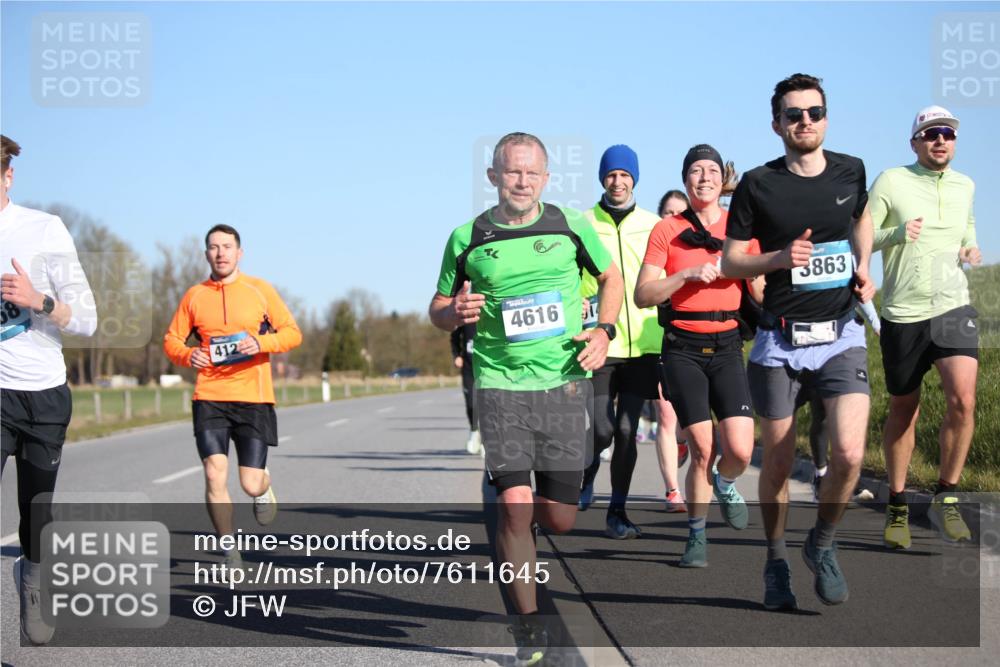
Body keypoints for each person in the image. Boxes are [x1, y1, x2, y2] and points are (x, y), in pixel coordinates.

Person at [429, 132, 623, 666]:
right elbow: (439, 304)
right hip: (499, 386)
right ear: (493, 176)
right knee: (517, 509)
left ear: (546, 177)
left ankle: (520, 515)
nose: (522, 181)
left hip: (562, 383)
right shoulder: (467, 237)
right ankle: (528, 631)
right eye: (512, 172)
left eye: (532, 173)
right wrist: (453, 313)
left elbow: (611, 277)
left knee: (557, 519)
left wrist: (604, 331)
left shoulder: (571, 226)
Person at [722, 73, 876, 609]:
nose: (804, 121)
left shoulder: (851, 169)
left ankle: (823, 543)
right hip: (779, 342)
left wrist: (862, 266)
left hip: (840, 334)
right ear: (777, 125)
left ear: (826, 118)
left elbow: (861, 220)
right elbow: (730, 260)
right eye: (793, 115)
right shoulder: (757, 185)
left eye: (813, 112)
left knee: (851, 453)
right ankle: (776, 561)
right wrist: (778, 259)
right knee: (781, 463)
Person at [636, 144, 760, 567]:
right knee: (703, 448)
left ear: (722, 179)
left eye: (711, 170)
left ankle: (727, 483)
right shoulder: (666, 230)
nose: (703, 177)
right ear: (685, 179)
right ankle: (696, 536)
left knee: (740, 450)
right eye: (695, 171)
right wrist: (684, 274)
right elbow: (642, 294)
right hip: (683, 348)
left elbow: (760, 291)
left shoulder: (742, 227)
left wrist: (751, 273)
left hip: (728, 346)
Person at [1, 134, 98, 644]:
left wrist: (38, 300)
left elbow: (86, 319)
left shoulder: (43, 230)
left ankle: (34, 577)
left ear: (7, 176)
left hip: (41, 394)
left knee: (36, 512)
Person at [164, 224, 302, 573]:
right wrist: (187, 355)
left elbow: (292, 333)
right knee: (214, 473)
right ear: (206, 253)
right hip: (209, 396)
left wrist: (262, 343)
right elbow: (171, 341)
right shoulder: (194, 295)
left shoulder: (259, 290)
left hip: (253, 397)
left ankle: (263, 488)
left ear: (240, 253)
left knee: (249, 481)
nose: (221, 252)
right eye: (213, 247)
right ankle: (229, 550)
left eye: (227, 246)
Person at [872, 106, 980, 549]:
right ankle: (897, 503)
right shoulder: (891, 180)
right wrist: (897, 233)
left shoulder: (965, 185)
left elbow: (966, 228)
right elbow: (862, 233)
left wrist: (971, 247)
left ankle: (946, 496)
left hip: (953, 304)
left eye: (948, 134)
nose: (941, 141)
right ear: (915, 141)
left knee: (963, 399)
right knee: (904, 408)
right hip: (903, 312)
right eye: (931, 134)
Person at [577, 144, 673, 537]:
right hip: (600, 342)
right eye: (611, 175)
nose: (618, 182)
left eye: (625, 175)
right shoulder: (582, 223)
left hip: (645, 344)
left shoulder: (654, 225)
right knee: (601, 428)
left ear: (634, 179)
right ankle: (587, 473)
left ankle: (617, 510)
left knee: (626, 428)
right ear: (602, 179)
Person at [655, 190, 692, 512]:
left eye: (679, 212)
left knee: (690, 419)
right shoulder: (652, 251)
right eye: (667, 212)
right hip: (654, 342)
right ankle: (673, 490)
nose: (673, 218)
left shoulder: (698, 251)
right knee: (666, 414)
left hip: (693, 342)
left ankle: (682, 442)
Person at [450, 322, 481, 455]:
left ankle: (487, 440)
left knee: (488, 405)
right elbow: (454, 337)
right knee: (471, 404)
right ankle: (474, 430)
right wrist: (457, 355)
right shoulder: (466, 317)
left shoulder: (491, 313)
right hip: (468, 368)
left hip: (488, 368)